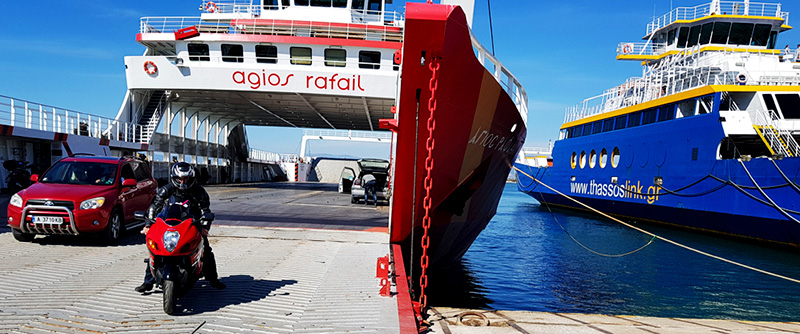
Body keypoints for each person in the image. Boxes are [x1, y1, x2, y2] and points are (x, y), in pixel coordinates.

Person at [135, 162, 226, 292]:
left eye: (186, 178)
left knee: (206, 250)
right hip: (169, 224)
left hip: (192, 225)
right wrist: (148, 224)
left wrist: (205, 226)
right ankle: (148, 282)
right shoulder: (166, 189)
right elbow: (154, 206)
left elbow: (205, 210)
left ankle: (213, 279)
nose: (182, 181)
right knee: (155, 250)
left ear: (191, 178)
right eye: (180, 178)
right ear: (174, 177)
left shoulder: (199, 191)